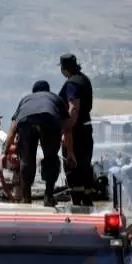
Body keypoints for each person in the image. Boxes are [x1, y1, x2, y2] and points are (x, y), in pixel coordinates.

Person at [0, 80, 68, 205]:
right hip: (49, 120)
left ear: (33, 91)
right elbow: (66, 125)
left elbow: (13, 127)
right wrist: (65, 143)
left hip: (26, 122)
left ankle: (26, 198)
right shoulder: (55, 98)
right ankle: (48, 196)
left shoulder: (26, 99)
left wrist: (5, 151)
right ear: (48, 90)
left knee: (26, 160)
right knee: (51, 158)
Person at [58, 53, 95, 207]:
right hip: (86, 127)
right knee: (85, 165)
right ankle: (87, 199)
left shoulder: (72, 84)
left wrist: (67, 127)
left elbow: (74, 107)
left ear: (64, 69)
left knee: (72, 164)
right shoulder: (84, 80)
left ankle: (78, 202)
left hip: (76, 131)